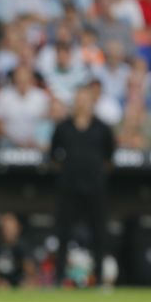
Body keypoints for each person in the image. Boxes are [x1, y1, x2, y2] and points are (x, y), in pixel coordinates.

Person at [50, 86, 116, 286]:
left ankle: (99, 280)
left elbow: (109, 158)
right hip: (69, 188)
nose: (82, 103)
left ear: (92, 102)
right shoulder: (63, 127)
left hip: (95, 188)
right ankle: (59, 277)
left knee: (99, 233)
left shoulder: (103, 128)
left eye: (86, 99)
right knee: (63, 233)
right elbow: (54, 156)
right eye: (79, 99)